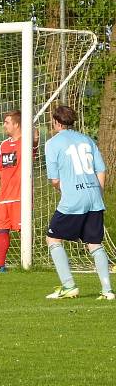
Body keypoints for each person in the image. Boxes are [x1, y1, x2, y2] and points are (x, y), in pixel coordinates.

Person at [43, 105, 113, 300]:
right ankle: (107, 291)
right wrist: (97, 193)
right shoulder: (87, 140)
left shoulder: (52, 143)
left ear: (56, 122)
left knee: (53, 239)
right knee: (94, 243)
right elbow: (101, 170)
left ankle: (69, 286)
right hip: (94, 197)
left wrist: (65, 189)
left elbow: (55, 180)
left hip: (74, 199)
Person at [0, 110, 38, 273]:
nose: (4, 125)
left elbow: (35, 141)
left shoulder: (27, 142)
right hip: (4, 196)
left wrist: (34, 137)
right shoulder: (4, 145)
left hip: (21, 196)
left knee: (24, 229)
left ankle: (28, 263)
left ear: (16, 124)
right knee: (1, 229)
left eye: (7, 122)